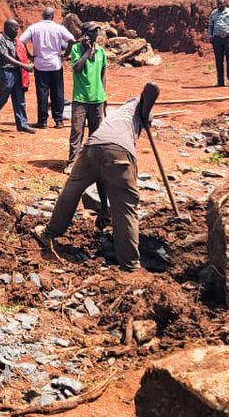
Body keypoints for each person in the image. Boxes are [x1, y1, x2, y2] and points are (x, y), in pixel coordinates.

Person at [33, 83, 158, 275]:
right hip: (119, 153)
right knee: (126, 206)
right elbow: (152, 88)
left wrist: (104, 210)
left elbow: (102, 176)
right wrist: (146, 111)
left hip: (93, 147)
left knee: (72, 189)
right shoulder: (136, 105)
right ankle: (131, 266)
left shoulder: (117, 117)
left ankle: (49, 233)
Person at [21, 7, 77, 129]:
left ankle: (42, 121)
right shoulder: (59, 28)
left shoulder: (34, 28)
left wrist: (29, 55)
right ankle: (59, 120)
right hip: (55, 64)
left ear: (42, 15)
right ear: (53, 16)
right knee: (58, 92)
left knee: (42, 93)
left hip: (40, 64)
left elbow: (21, 41)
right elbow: (72, 40)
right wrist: (66, 54)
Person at [66, 23, 107, 174]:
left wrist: (104, 96)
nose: (95, 35)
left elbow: (103, 75)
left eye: (97, 32)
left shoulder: (101, 52)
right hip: (81, 98)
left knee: (96, 134)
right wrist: (87, 51)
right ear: (85, 34)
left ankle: (92, 163)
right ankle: (72, 162)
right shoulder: (76, 49)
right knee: (77, 132)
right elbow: (77, 67)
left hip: (97, 98)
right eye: (92, 32)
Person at [0, 19, 35, 133]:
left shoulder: (16, 40)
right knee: (3, 97)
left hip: (17, 71)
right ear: (8, 29)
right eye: (15, 28)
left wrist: (30, 61)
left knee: (19, 98)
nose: (17, 31)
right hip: (5, 72)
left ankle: (22, 124)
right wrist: (23, 65)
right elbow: (5, 56)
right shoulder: (0, 40)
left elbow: (22, 54)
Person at [208, 0, 229, 88]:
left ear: (225, 4)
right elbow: (210, 25)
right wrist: (210, 36)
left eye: (221, 3)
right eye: (218, 4)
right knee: (219, 60)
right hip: (217, 39)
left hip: (228, 38)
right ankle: (220, 81)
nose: (219, 5)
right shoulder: (213, 13)